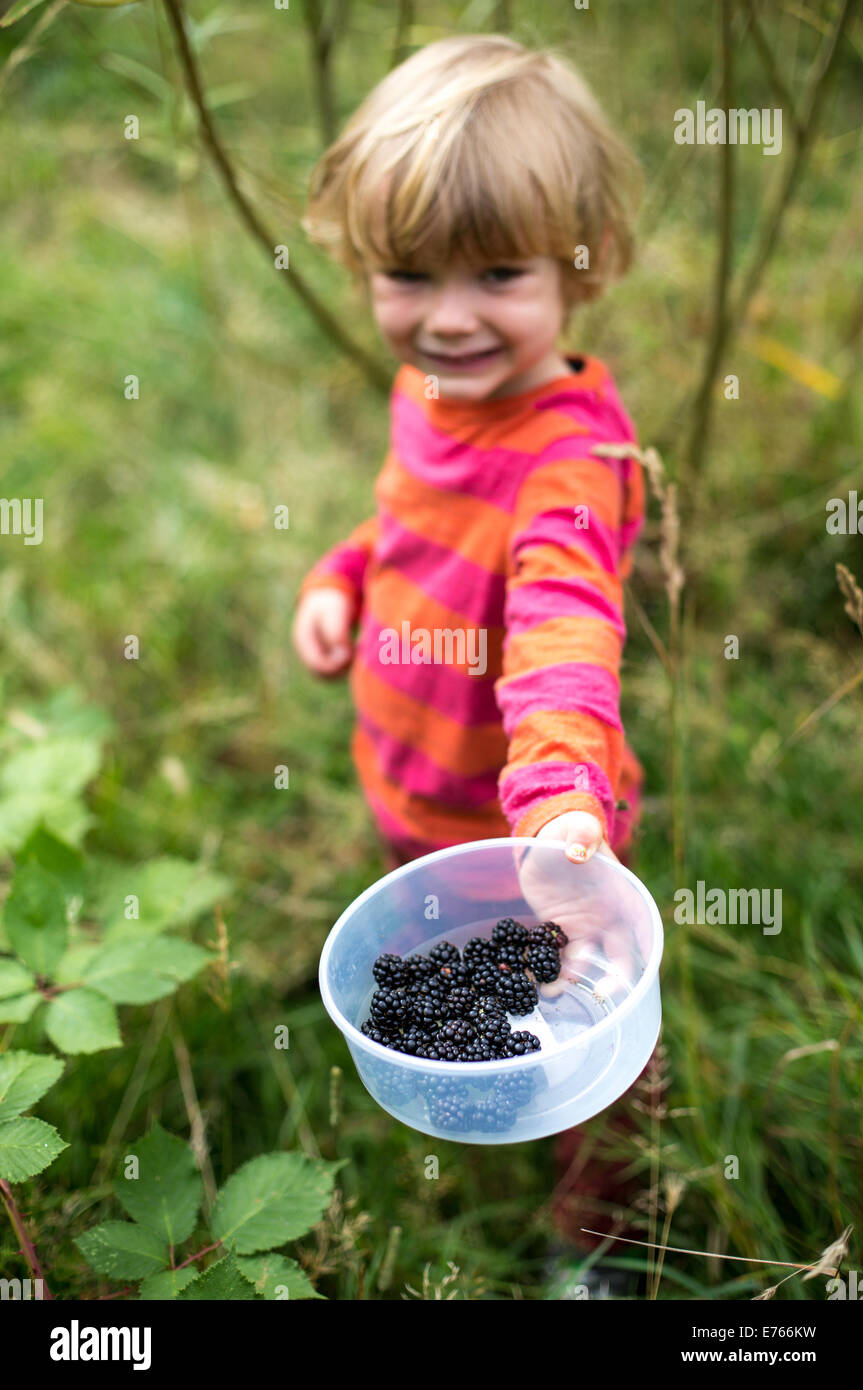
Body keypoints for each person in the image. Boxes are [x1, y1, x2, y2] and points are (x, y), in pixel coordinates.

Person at [293, 32, 652, 1294]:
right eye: (406, 274)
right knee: (469, 988)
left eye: (498, 272)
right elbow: (403, 515)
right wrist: (341, 576)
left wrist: (560, 803)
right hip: (417, 802)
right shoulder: (431, 390)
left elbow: (561, 631)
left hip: (536, 840)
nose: (446, 318)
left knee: (588, 1030)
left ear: (584, 264)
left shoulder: (569, 466)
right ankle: (476, 1082)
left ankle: (606, 1231)